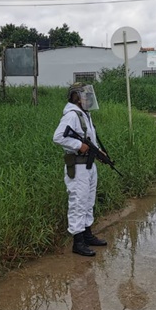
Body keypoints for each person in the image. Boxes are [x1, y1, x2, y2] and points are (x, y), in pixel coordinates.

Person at [53, 83, 108, 257]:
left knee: (88, 200)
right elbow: (58, 137)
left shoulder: (85, 114)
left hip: (89, 165)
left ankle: (87, 234)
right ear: (76, 97)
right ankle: (78, 242)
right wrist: (78, 145)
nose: (89, 98)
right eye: (85, 95)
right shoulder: (71, 115)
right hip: (77, 166)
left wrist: (98, 151)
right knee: (78, 201)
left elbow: (89, 139)